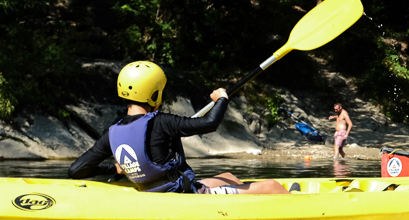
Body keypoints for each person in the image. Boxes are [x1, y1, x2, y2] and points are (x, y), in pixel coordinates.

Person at [68, 61, 290, 194]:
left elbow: (76, 170)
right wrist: (221, 99)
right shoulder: (161, 122)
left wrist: (116, 169)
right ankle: (293, 201)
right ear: (155, 95)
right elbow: (210, 123)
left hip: (156, 190)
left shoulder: (112, 133)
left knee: (230, 176)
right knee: (272, 186)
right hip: (183, 194)